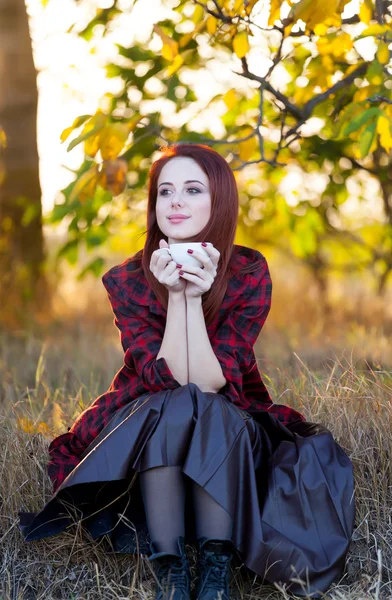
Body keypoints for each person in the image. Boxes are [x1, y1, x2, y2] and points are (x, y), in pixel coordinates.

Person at [19, 143, 355, 600]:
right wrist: (176, 295)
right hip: (148, 423)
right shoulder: (127, 279)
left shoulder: (248, 271)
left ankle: (215, 574)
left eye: (192, 190)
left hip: (229, 427)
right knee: (173, 402)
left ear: (219, 201)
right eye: (164, 191)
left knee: (208, 406)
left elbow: (212, 383)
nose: (174, 201)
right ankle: (171, 573)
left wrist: (194, 299)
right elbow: (166, 379)